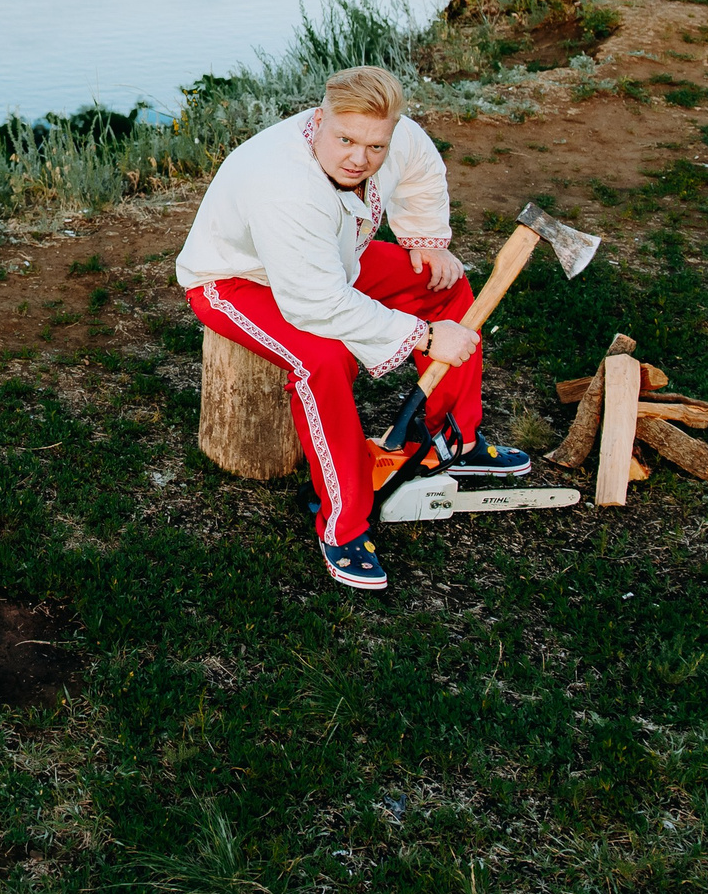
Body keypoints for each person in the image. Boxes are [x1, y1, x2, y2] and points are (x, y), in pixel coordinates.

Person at [175, 64, 529, 589]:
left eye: (374, 146)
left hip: (333, 263)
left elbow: (421, 167)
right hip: (237, 282)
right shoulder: (284, 186)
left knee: (443, 286)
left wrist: (424, 238)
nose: (360, 158)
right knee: (324, 360)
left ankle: (448, 440)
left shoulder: (391, 135)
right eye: (345, 139)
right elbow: (316, 303)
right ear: (319, 119)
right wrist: (426, 337)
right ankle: (343, 525)